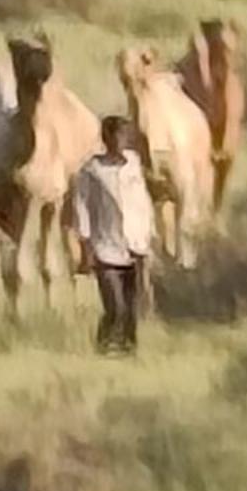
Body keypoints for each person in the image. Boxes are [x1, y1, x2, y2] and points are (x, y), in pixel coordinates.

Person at [72, 115, 155, 354]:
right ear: (106, 138)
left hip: (133, 244)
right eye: (117, 136)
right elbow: (81, 206)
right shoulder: (91, 170)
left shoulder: (133, 163)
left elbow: (142, 201)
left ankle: (129, 349)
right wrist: (86, 246)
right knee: (115, 307)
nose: (121, 142)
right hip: (105, 246)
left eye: (124, 136)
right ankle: (103, 345)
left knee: (131, 308)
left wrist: (147, 235)